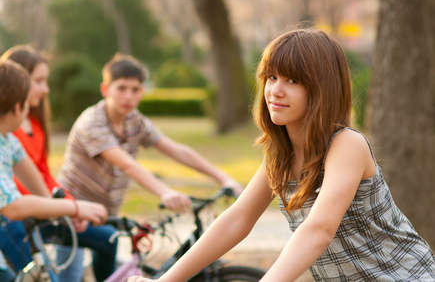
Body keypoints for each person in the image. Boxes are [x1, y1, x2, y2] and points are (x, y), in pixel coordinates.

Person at [127, 28, 435, 282]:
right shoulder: (280, 155)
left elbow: (318, 230)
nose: (275, 90)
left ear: (322, 89)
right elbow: (236, 220)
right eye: (271, 77)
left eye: (293, 80)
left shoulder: (346, 145)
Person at [56, 53, 243, 278]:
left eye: (135, 89)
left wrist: (223, 178)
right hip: (71, 211)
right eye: (121, 88)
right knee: (71, 275)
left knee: (110, 265)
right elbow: (126, 164)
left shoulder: (135, 121)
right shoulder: (92, 123)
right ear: (105, 89)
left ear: (141, 93)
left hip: (108, 215)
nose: (128, 96)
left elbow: (176, 150)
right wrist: (165, 192)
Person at [0, 45, 120, 282]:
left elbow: (32, 175)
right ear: (17, 107)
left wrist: (59, 212)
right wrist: (74, 208)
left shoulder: (8, 139)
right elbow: (12, 206)